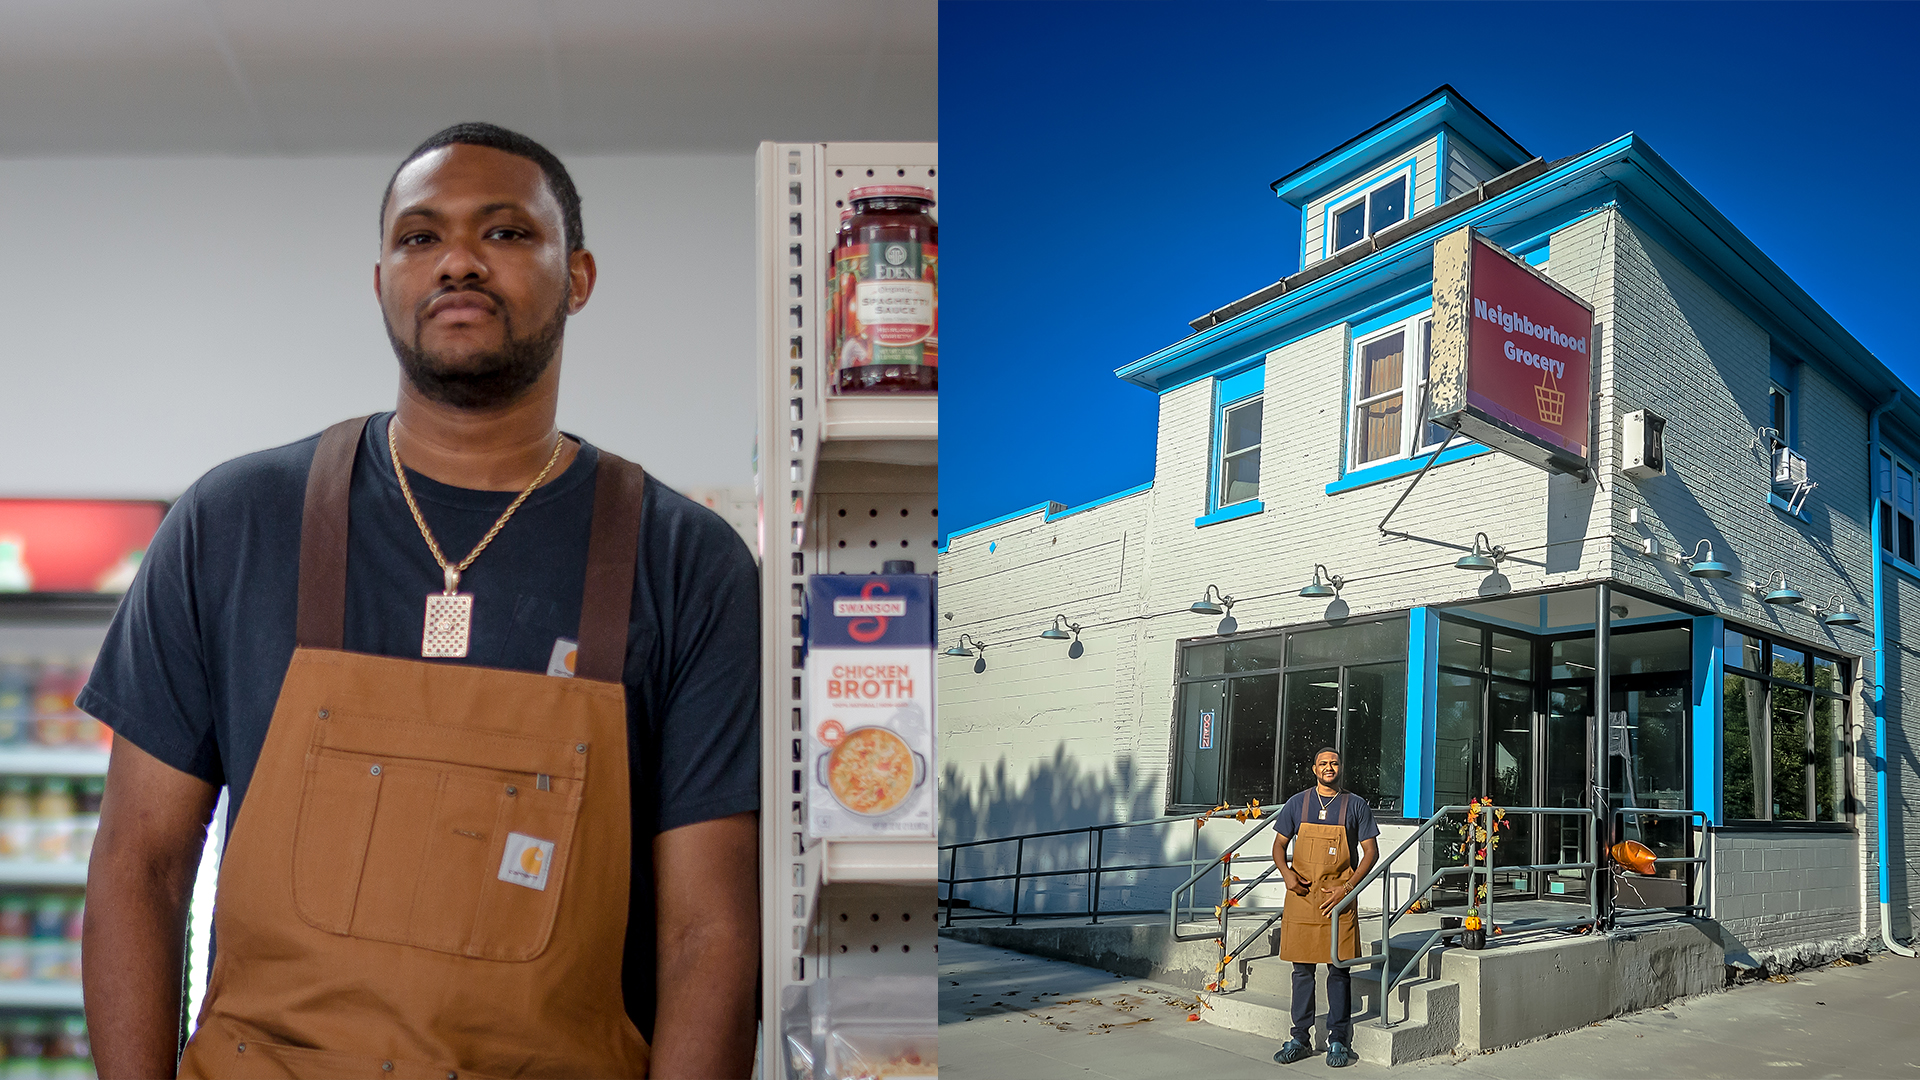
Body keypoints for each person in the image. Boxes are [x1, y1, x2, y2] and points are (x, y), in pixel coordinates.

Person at [80, 123, 760, 1079]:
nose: (459, 262)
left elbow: (711, 935)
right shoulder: (233, 524)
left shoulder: (688, 562)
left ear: (580, 278)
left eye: (508, 233)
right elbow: (137, 867)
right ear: (381, 282)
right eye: (419, 236)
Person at [1270, 747, 1379, 1069]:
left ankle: (1337, 1040)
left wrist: (1348, 887)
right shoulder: (1297, 803)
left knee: (1338, 969)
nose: (1329, 767)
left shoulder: (1355, 805)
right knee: (1302, 970)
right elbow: (1278, 845)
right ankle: (1299, 1038)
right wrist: (1287, 874)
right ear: (1314, 769)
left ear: (1340, 767)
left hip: (1338, 900)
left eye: (1333, 763)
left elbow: (1370, 852)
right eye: (1323, 763)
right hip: (1302, 897)